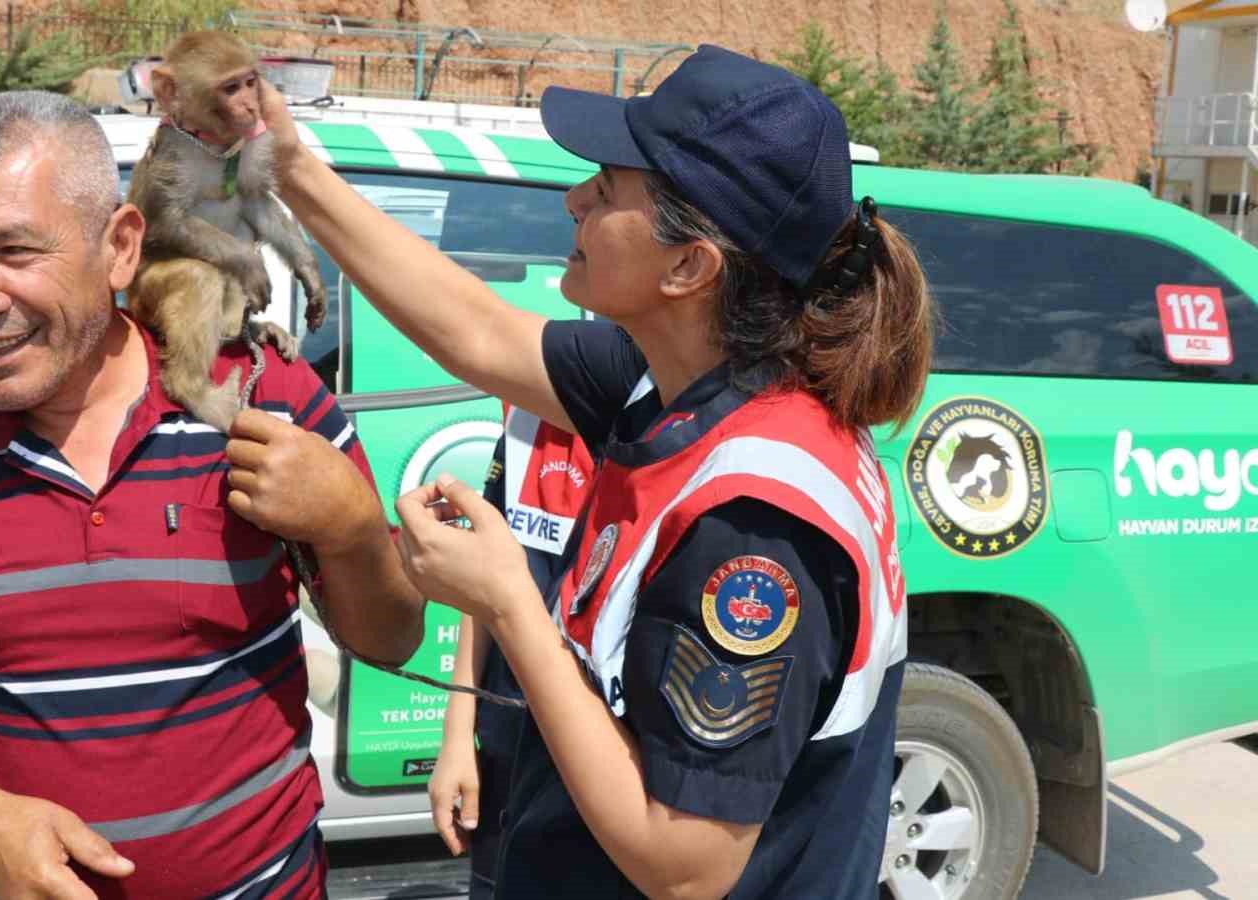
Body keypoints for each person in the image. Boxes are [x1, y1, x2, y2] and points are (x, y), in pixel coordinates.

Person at [263, 44, 934, 899]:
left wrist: (508, 599)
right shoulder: (676, 379)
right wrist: (287, 165)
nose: (574, 198)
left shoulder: (754, 521)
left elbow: (687, 865)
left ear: (690, 267)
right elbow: (480, 333)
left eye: (609, 189)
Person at [0, 91, 425, 900]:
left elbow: (391, 640)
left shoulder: (262, 399)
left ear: (119, 248)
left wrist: (352, 528)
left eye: (14, 250)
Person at [426, 404, 607, 896]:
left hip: (608, 770)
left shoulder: (664, 415)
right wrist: (458, 733)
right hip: (508, 754)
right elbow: (484, 582)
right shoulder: (530, 416)